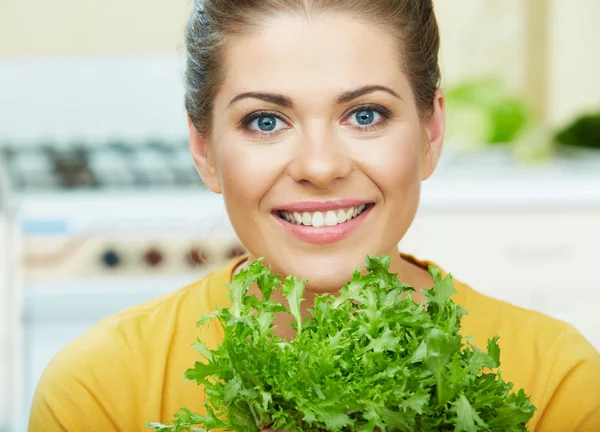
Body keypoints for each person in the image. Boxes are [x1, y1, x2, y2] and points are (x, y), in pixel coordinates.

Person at [28, 1, 600, 431]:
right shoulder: (99, 390)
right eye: (266, 121)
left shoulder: (557, 383)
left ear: (431, 132)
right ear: (204, 151)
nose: (320, 166)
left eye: (367, 114)